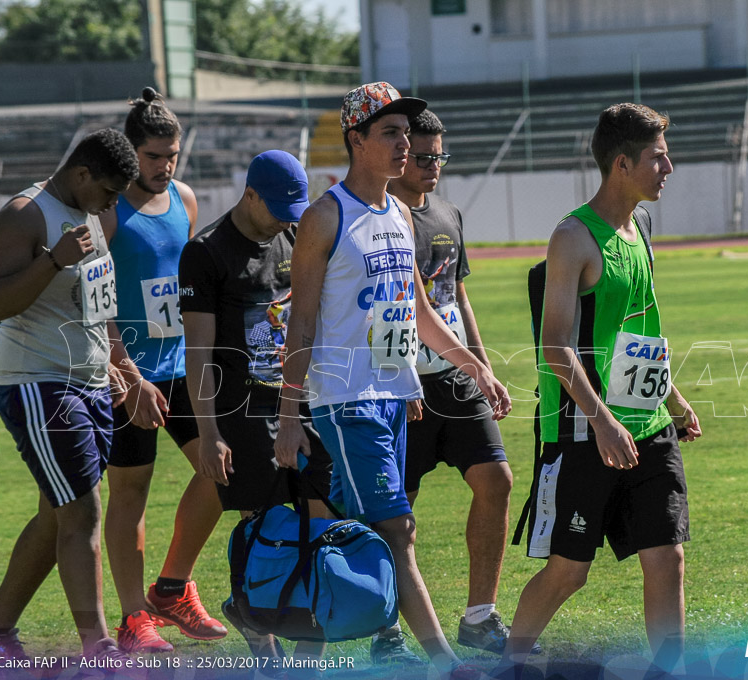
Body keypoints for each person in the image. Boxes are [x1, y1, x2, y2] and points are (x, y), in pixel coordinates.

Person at [274, 82, 512, 680]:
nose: (405, 145)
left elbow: (418, 313)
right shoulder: (325, 215)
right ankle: (448, 663)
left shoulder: (401, 212)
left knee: (350, 526)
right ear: (356, 139)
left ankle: (287, 632)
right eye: (391, 133)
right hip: (345, 400)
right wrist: (288, 416)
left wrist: (472, 365)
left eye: (408, 134)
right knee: (397, 529)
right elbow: (300, 321)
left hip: (390, 398)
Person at [496, 103, 703, 679]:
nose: (669, 166)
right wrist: (603, 421)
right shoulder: (572, 238)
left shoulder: (641, 227)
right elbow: (555, 347)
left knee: (668, 558)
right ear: (621, 164)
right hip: (583, 429)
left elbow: (638, 330)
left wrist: (671, 398)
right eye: (658, 157)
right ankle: (511, 665)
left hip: (647, 425)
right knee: (569, 570)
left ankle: (669, 672)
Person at [0, 129, 139, 664]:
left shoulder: (92, 215)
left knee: (56, 516)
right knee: (83, 511)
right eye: (110, 192)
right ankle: (99, 648)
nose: (114, 205)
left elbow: (98, 302)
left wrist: (119, 367)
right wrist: (52, 260)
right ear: (82, 174)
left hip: (87, 381)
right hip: (36, 381)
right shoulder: (24, 214)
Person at [178, 150, 334, 676]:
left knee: (324, 515)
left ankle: (310, 650)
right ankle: (261, 638)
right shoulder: (206, 252)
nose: (288, 218)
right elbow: (196, 351)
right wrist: (207, 434)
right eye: (279, 207)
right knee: (262, 525)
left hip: (296, 398)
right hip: (239, 411)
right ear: (249, 194)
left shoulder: (292, 238)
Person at [376, 108, 520, 662]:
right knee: (396, 515)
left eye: (441, 156)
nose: (434, 165)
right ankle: (385, 628)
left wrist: (482, 368)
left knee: (497, 480)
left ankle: (479, 616)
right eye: (424, 155)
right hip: (398, 383)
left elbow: (456, 297)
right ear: (401, 153)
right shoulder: (382, 217)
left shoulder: (448, 212)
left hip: (453, 379)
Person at [100, 87, 226, 653]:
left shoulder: (185, 200)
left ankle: (171, 586)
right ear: (130, 152)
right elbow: (92, 300)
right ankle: (133, 620)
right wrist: (125, 374)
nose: (164, 166)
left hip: (180, 367)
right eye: (154, 156)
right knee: (131, 493)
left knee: (224, 468)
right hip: (128, 375)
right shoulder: (107, 209)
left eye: (172, 155)